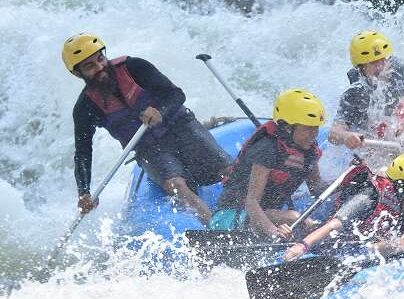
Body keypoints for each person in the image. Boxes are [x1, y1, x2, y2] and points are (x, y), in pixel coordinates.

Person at [63, 33, 231, 223]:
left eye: (100, 59)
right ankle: (215, 229)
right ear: (77, 74)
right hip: (150, 149)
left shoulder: (134, 67)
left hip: (182, 127)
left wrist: (161, 111)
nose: (100, 67)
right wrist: (84, 192)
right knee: (176, 186)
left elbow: (176, 95)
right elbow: (83, 152)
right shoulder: (85, 107)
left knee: (229, 170)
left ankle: (248, 214)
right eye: (90, 66)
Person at [209, 89, 327, 240]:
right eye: (307, 128)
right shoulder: (267, 149)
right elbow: (252, 203)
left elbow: (316, 187)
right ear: (288, 127)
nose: (314, 134)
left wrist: (347, 183)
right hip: (228, 218)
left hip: (265, 216)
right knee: (295, 217)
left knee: (306, 223)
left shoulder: (308, 149)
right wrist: (274, 232)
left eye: (316, 127)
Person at [283, 153, 404, 261]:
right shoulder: (370, 196)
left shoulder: (402, 208)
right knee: (401, 243)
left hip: (361, 247)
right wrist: (303, 246)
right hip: (332, 245)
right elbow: (333, 225)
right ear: (403, 189)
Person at [328, 30, 404, 150]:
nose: (380, 67)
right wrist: (346, 136)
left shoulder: (402, 80)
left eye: (383, 60)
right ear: (361, 68)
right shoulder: (355, 94)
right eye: (373, 63)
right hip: (374, 149)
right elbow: (334, 133)